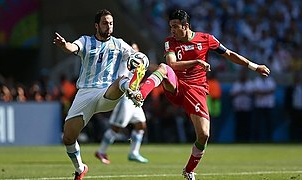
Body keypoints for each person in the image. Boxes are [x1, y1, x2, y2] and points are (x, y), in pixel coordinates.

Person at [126, 9, 270, 180]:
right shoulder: (170, 42)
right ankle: (140, 94)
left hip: (197, 89)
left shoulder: (206, 39)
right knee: (164, 68)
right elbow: (172, 63)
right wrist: (196, 61)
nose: (172, 30)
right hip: (177, 85)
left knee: (204, 134)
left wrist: (254, 67)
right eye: (170, 26)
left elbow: (230, 54)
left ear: (186, 26)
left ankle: (189, 170)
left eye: (175, 26)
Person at [53, 9, 145, 180]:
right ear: (97, 25)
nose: (108, 26)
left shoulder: (119, 44)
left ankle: (131, 90)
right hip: (85, 93)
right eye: (105, 23)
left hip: (107, 92)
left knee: (122, 80)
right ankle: (80, 169)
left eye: (111, 23)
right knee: (68, 137)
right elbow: (73, 47)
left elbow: (137, 56)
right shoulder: (86, 41)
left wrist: (141, 60)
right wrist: (64, 44)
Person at [95, 43, 149, 164]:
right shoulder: (125, 63)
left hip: (134, 100)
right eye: (132, 49)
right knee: (116, 128)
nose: (134, 51)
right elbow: (121, 79)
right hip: (125, 99)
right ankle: (101, 151)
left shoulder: (140, 65)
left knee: (141, 125)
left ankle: (134, 153)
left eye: (136, 48)